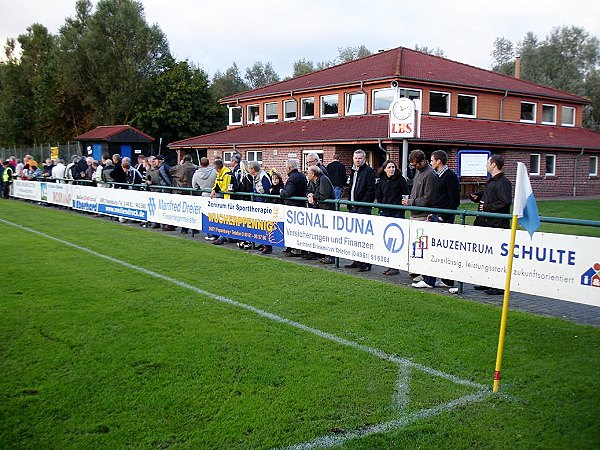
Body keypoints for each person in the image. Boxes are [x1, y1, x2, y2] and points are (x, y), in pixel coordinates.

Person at [415, 150, 461, 289]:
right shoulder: (439, 176)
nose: (431, 162)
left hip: (443, 218)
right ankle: (439, 280)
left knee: (439, 249)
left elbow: (454, 200)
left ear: (439, 161)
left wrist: (443, 216)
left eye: (432, 160)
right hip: (436, 214)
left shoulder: (450, 176)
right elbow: (439, 198)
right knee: (434, 248)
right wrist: (433, 213)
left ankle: (433, 280)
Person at [470, 154, 512, 295]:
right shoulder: (492, 181)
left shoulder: (503, 182)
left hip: (497, 224)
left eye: (488, 162)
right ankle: (486, 281)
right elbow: (490, 194)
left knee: (496, 257)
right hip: (485, 223)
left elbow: (505, 201)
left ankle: (499, 285)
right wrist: (478, 196)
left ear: (494, 164)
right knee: (486, 254)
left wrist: (487, 208)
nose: (486, 165)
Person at [376, 159, 409, 275]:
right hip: (385, 212)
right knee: (386, 238)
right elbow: (379, 195)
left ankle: (396, 266)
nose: (391, 169)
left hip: (396, 212)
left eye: (393, 167)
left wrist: (401, 206)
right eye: (389, 167)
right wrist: (381, 209)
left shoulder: (400, 180)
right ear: (384, 169)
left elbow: (405, 194)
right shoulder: (381, 181)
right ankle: (390, 264)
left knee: (397, 239)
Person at [345, 149, 376, 272]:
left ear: (364, 159)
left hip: (362, 208)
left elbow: (370, 189)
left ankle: (366, 263)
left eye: (360, 158)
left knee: (363, 238)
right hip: (352, 207)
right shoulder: (353, 171)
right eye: (356, 158)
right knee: (354, 237)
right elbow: (351, 187)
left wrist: (361, 204)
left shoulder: (368, 172)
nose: (358, 160)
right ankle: (356, 260)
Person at [306, 164, 335, 261]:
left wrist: (313, 196)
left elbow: (324, 195)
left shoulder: (323, 179)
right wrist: (310, 195)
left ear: (313, 173)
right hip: (318, 210)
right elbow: (308, 190)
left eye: (308, 172)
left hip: (327, 210)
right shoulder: (311, 181)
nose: (307, 174)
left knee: (328, 234)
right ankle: (319, 253)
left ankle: (330, 256)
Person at [280, 158, 307, 257]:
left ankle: (296, 249)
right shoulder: (302, 176)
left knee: (294, 229)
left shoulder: (292, 178)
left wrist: (281, 192)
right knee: (300, 229)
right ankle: (297, 248)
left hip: (293, 207)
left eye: (286, 168)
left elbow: (288, 192)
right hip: (301, 205)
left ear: (289, 168)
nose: (285, 170)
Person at [248, 160, 273, 254]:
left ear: (253, 169)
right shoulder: (256, 177)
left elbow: (267, 191)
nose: (249, 170)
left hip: (263, 202)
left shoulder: (263, 177)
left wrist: (265, 205)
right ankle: (263, 243)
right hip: (258, 201)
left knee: (265, 225)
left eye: (250, 168)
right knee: (260, 225)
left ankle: (268, 246)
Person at [210, 159, 234, 245]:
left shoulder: (227, 174)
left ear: (217, 168)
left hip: (230, 199)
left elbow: (225, 188)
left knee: (228, 219)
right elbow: (217, 183)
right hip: (225, 199)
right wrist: (214, 190)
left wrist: (217, 189)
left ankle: (224, 237)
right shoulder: (220, 173)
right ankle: (225, 236)